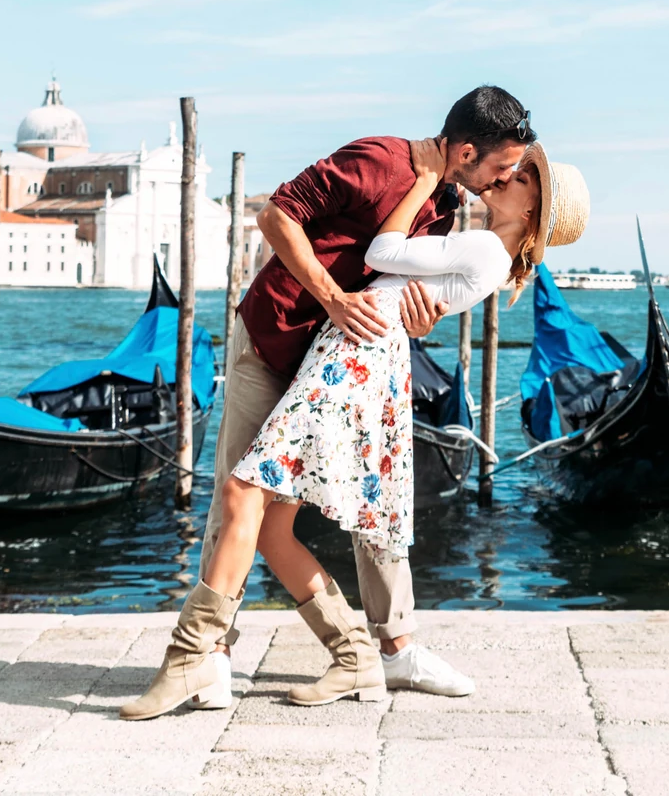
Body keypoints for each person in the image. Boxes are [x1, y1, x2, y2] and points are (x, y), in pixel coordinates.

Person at [122, 87, 586, 719]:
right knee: (241, 491)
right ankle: (214, 658)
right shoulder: (378, 162)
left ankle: (385, 651)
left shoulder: (447, 204)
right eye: (508, 166)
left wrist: (422, 317)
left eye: (519, 174)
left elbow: (410, 285)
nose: (508, 177)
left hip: (346, 357)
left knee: (368, 500)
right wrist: (336, 296)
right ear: (469, 151)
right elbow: (276, 216)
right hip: (277, 337)